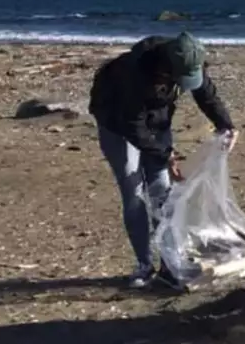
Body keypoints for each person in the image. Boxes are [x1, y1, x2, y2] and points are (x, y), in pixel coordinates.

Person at [88, 31, 237, 289]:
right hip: (117, 124)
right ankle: (144, 265)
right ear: (167, 67)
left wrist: (226, 126)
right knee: (132, 190)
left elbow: (206, 94)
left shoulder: (189, 61)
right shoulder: (133, 74)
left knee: (162, 192)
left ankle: (170, 262)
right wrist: (165, 154)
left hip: (156, 123)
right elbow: (133, 124)